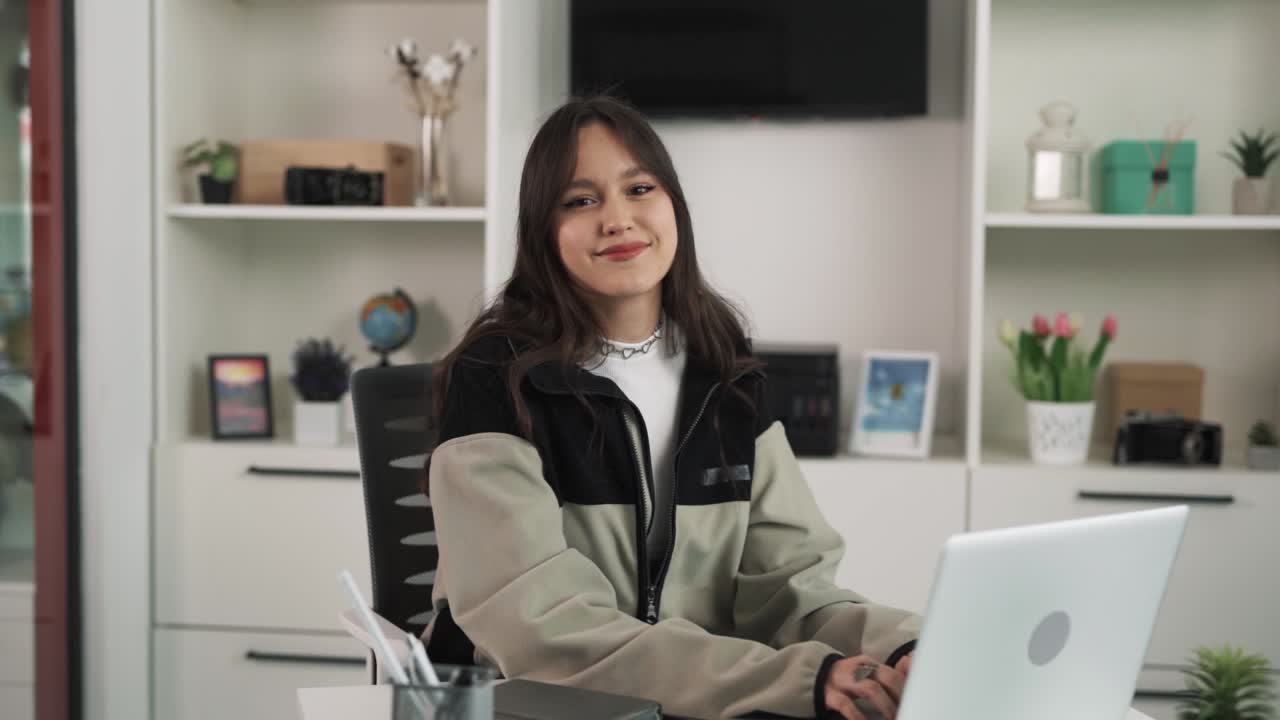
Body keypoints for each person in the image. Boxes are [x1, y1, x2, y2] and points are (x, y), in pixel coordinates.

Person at [422, 96, 920, 720]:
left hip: (685, 702)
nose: (617, 219)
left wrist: (905, 645)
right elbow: (542, 631)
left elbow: (792, 589)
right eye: (580, 201)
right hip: (517, 704)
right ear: (543, 232)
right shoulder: (496, 375)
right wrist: (800, 679)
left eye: (639, 188)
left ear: (673, 206)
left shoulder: (723, 369)